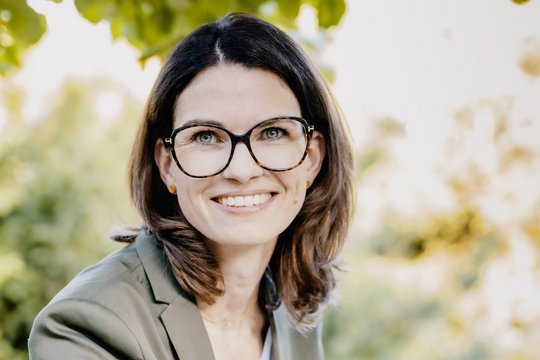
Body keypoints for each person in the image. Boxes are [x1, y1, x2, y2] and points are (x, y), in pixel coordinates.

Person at [28, 13, 354, 360]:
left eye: (273, 132)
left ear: (312, 158)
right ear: (166, 165)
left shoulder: (294, 317)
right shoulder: (86, 326)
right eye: (206, 136)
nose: (242, 170)